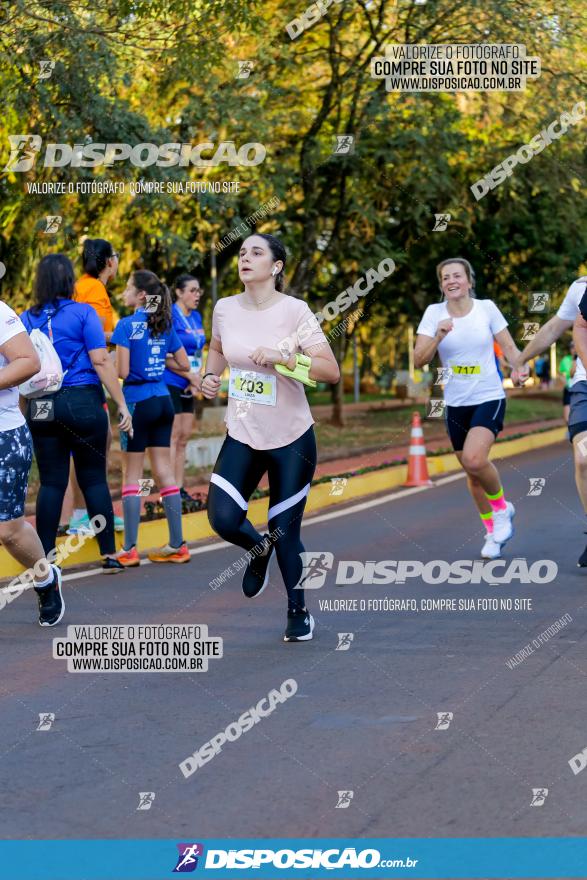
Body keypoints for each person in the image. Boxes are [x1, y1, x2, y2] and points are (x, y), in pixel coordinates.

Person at [202, 233, 340, 642]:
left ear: (275, 267)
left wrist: (285, 358)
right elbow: (218, 347)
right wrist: (210, 375)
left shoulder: (295, 311)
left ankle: (298, 612)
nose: (245, 258)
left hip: (291, 436)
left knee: (284, 529)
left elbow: (329, 371)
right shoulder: (225, 308)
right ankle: (255, 548)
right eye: (242, 252)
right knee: (223, 518)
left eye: (256, 253)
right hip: (243, 431)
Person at [20, 254, 132, 574]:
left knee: (52, 482)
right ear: (70, 281)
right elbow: (101, 361)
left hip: (42, 404)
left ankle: (44, 560)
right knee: (93, 477)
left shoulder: (27, 318)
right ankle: (109, 553)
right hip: (82, 399)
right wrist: (121, 403)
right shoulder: (84, 313)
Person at [414, 258, 525, 561]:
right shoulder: (433, 314)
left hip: (488, 396)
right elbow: (418, 360)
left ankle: (502, 510)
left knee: (476, 460)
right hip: (456, 403)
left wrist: (520, 367)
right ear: (441, 285)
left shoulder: (486, 308)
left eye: (457, 276)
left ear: (469, 281)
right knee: (472, 473)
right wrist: (438, 335)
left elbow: (510, 347)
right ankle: (491, 530)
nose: (452, 281)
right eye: (445, 277)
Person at [111, 270, 194, 566]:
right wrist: (158, 358)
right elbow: (183, 363)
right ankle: (178, 545)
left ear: (141, 296)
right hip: (163, 401)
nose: (124, 292)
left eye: (128, 287)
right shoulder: (163, 324)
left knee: (132, 475)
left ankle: (129, 550)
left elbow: (120, 372)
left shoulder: (126, 325)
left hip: (137, 403)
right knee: (164, 471)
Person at [0, 298, 66, 625]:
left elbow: (28, 361)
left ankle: (44, 578)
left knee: (9, 531)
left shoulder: (0, 313)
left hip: (4, 436)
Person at [516, 276, 587, 565]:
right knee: (583, 460)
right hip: (585, 384)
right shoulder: (581, 288)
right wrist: (521, 360)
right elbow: (555, 328)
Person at [68, 238, 123, 535]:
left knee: (96, 443)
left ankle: (91, 513)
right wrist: (120, 334)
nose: (116, 261)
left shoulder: (86, 286)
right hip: (85, 374)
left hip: (85, 374)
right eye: (115, 256)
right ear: (108, 261)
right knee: (92, 445)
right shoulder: (93, 288)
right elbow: (88, 330)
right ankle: (84, 514)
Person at [163, 274, 206, 498]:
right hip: (171, 381)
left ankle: (179, 488)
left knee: (184, 436)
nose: (196, 295)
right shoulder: (170, 317)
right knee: (173, 435)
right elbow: (166, 357)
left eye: (199, 290)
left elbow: (199, 350)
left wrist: (197, 378)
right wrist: (189, 375)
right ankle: (168, 491)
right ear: (179, 292)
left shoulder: (197, 316)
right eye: (192, 290)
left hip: (191, 383)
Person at [559, 341, 577, 423]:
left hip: (581, 389)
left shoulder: (584, 358)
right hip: (569, 389)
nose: (574, 349)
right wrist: (565, 383)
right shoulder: (565, 360)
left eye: (575, 346)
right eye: (571, 347)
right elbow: (561, 374)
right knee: (567, 418)